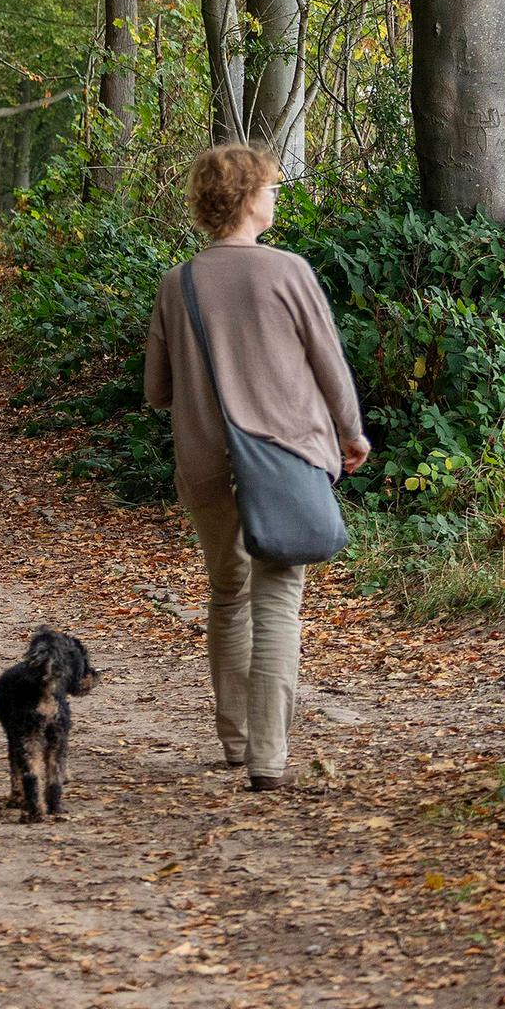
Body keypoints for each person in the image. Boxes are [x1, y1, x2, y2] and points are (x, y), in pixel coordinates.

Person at [143, 144, 370, 793]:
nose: (275, 197)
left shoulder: (176, 283)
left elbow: (158, 391)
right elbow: (330, 366)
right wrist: (351, 434)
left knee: (225, 592)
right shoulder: (288, 272)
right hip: (284, 460)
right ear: (247, 198)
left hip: (206, 465)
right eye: (269, 188)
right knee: (277, 596)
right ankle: (268, 760)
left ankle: (233, 739)